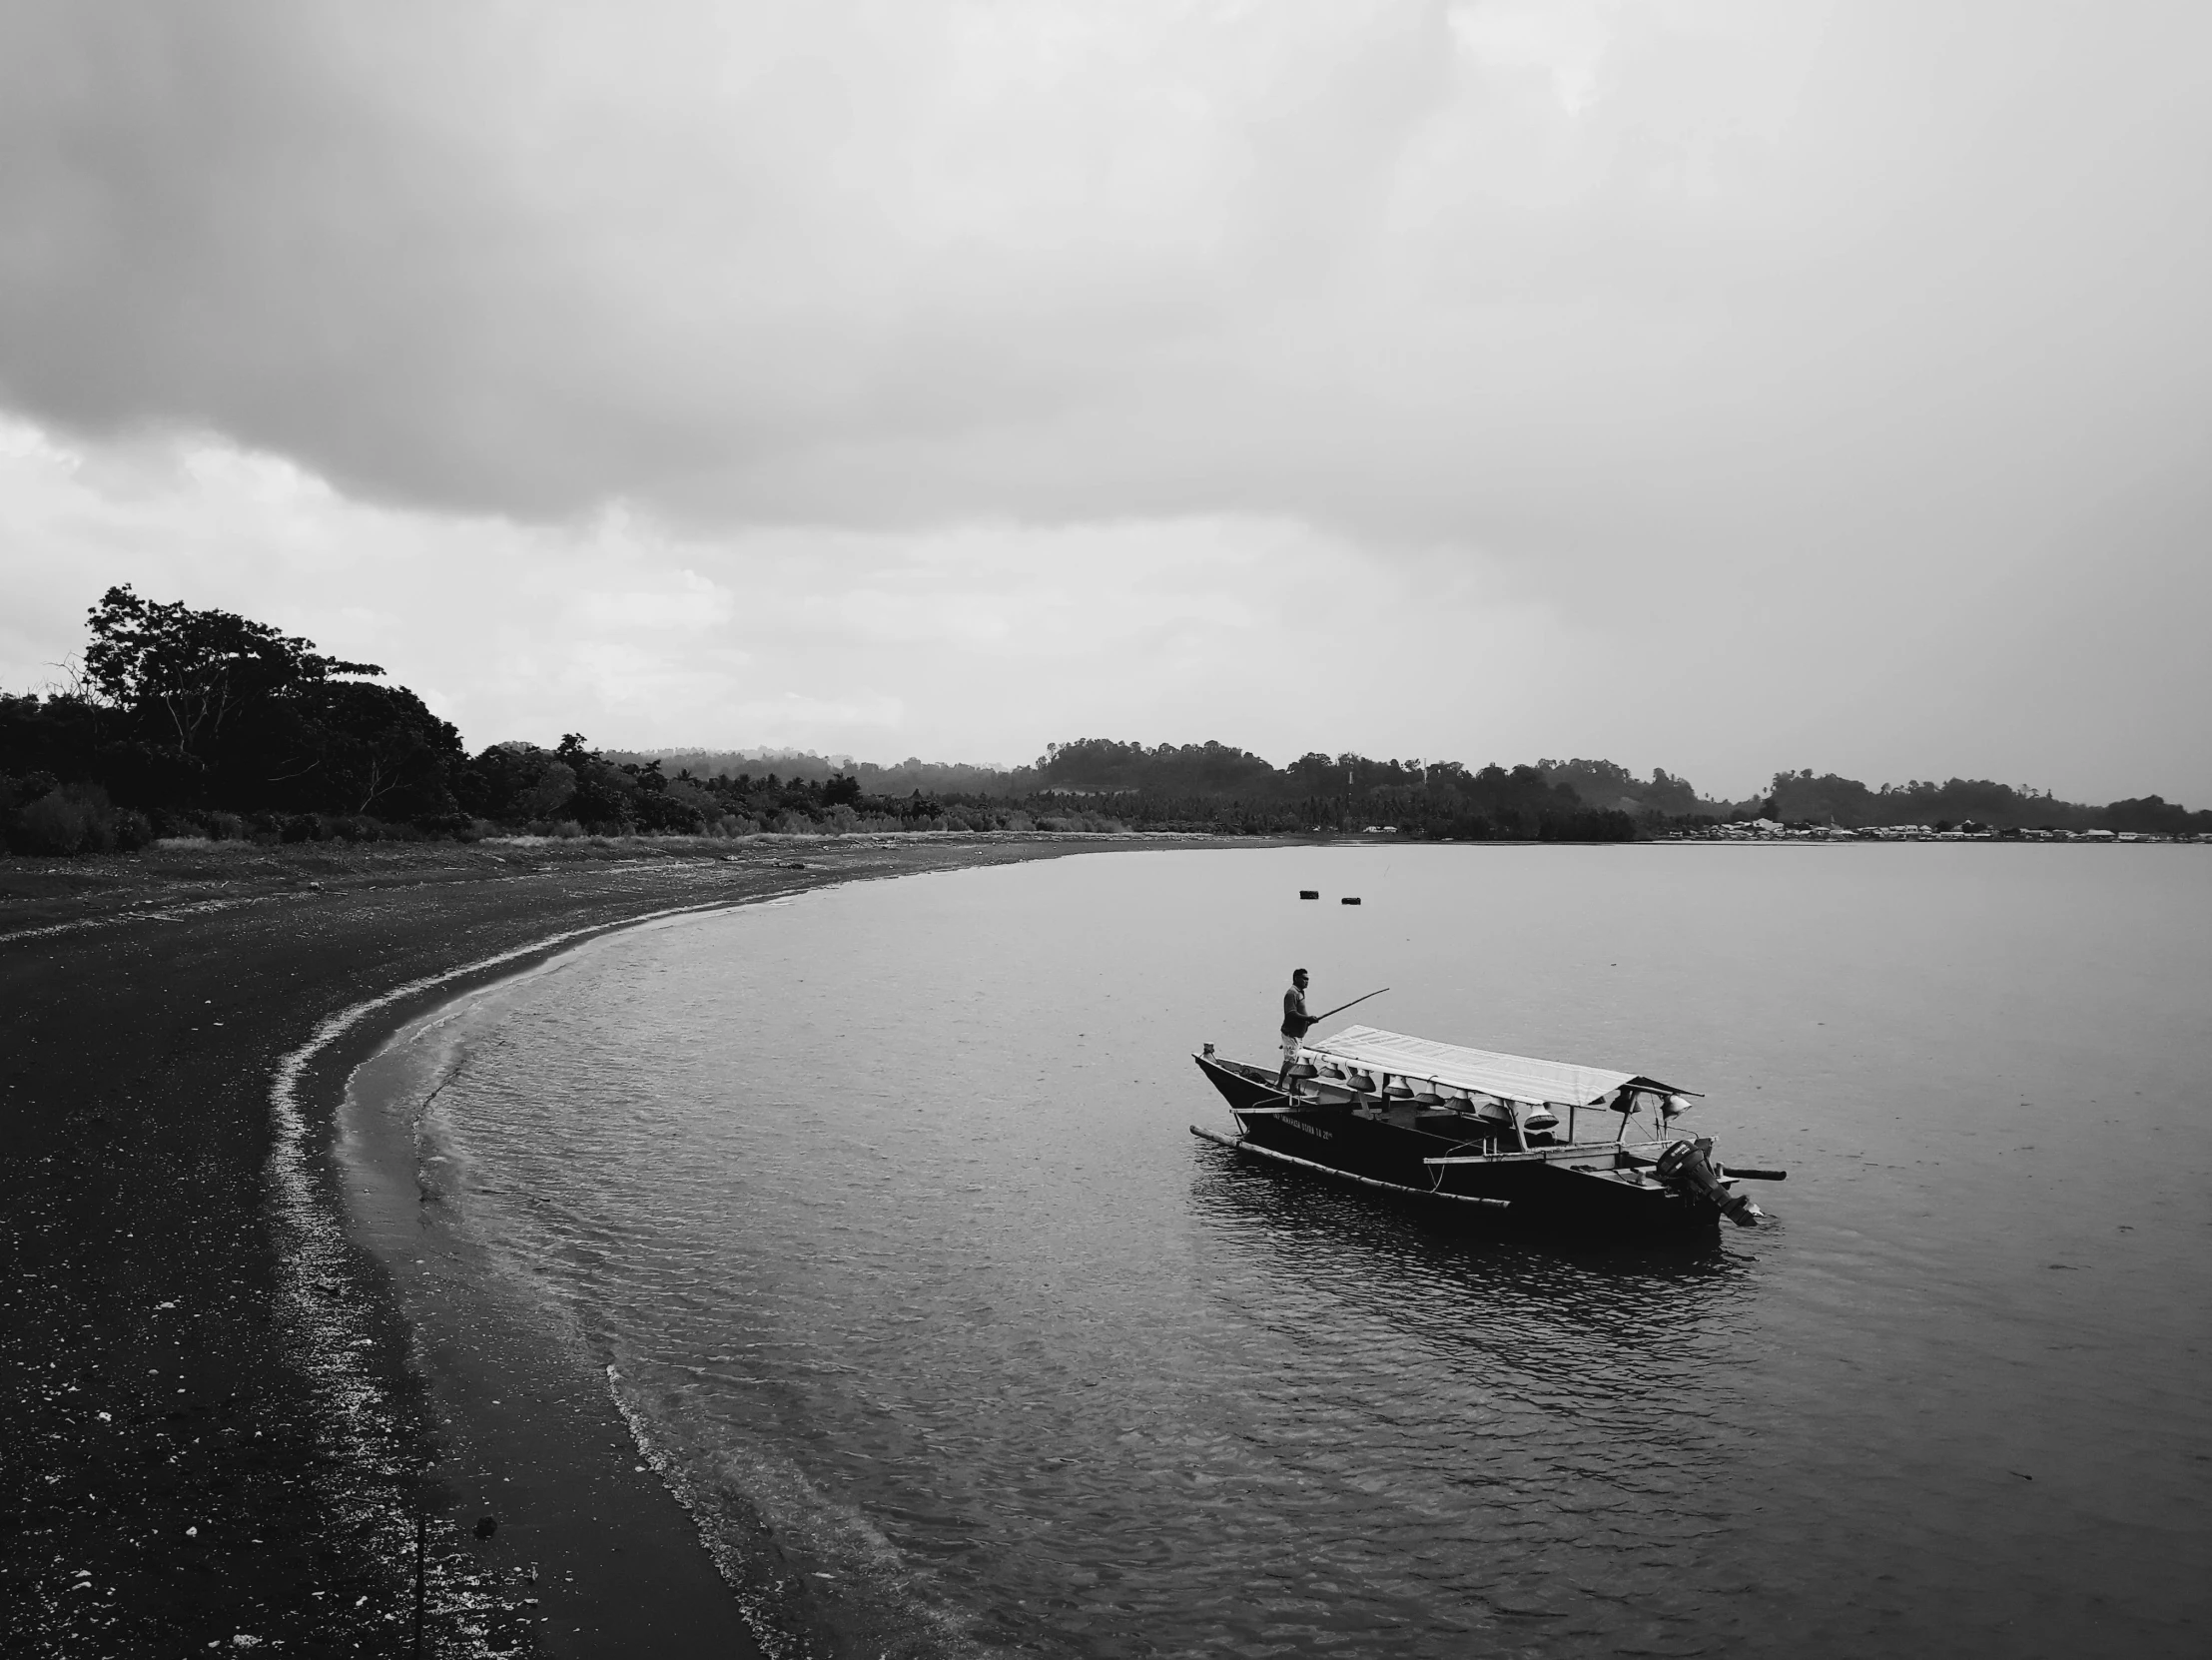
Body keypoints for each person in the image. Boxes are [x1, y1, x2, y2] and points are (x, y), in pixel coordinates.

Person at [1277, 968, 1315, 1089]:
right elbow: (1291, 1013)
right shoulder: (1291, 993)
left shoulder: (1300, 992)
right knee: (1290, 1061)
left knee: (1298, 1061)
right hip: (1290, 1034)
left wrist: (1308, 1022)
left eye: (1307, 979)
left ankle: (1293, 1087)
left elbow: (1299, 1013)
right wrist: (1307, 1018)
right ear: (1296, 979)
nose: (1306, 981)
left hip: (1299, 1034)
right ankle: (1279, 1084)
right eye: (1304, 979)